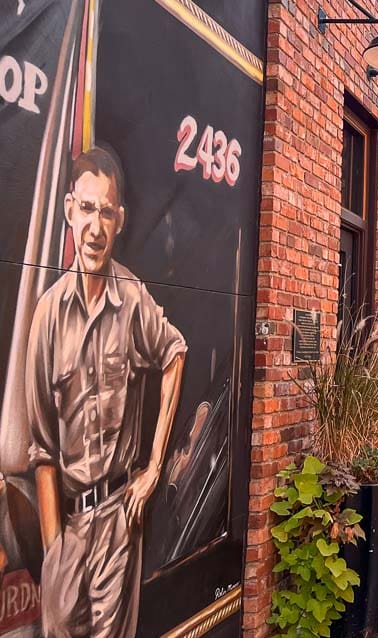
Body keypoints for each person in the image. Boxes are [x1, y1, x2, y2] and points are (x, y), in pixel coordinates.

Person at [25, 146, 187, 638]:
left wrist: (154, 466)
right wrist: (54, 552)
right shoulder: (47, 317)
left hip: (118, 518)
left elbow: (174, 354)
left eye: (107, 211)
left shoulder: (133, 299)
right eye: (87, 208)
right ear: (70, 209)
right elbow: (42, 449)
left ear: (120, 219)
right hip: (68, 529)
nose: (96, 226)